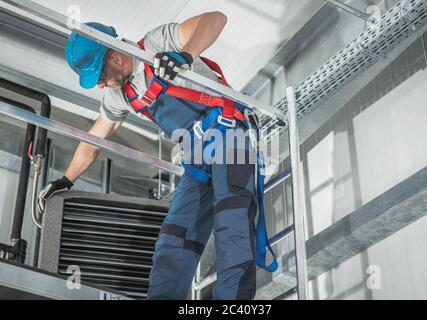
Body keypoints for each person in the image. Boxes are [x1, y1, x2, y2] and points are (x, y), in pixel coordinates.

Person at [39, 12, 263, 300]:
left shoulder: (154, 46)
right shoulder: (118, 96)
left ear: (117, 58)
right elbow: (94, 139)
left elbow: (215, 19)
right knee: (172, 242)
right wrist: (65, 180)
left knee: (231, 225)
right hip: (198, 160)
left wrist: (184, 56)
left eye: (100, 76)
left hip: (230, 136)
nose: (100, 85)